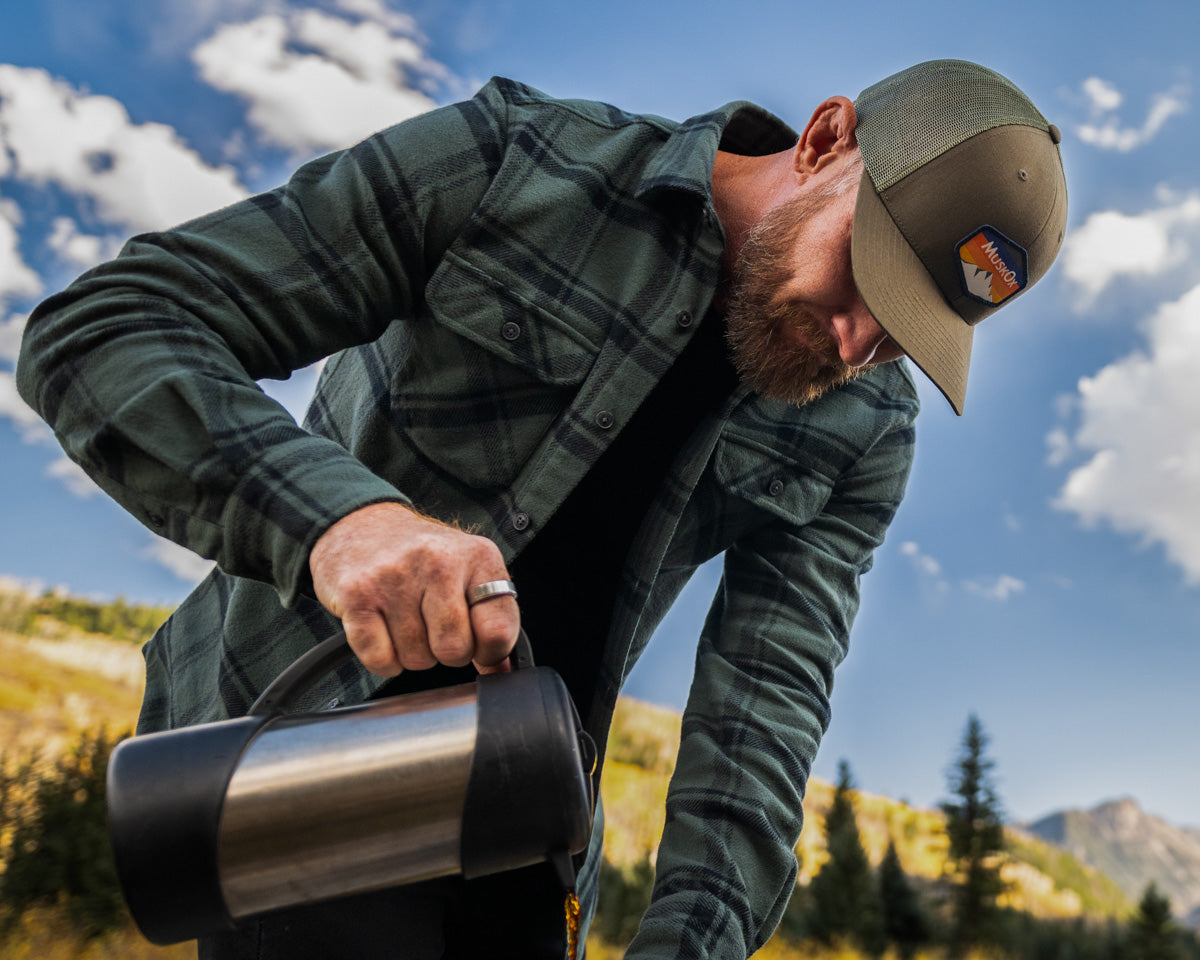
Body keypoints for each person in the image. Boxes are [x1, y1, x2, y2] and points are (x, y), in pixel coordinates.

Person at [17, 59, 1066, 959]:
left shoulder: (867, 428)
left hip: (529, 845)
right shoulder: (514, 163)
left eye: (903, 332)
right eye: (863, 276)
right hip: (302, 781)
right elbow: (102, 329)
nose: (854, 345)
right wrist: (341, 525)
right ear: (827, 138)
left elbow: (762, 716)